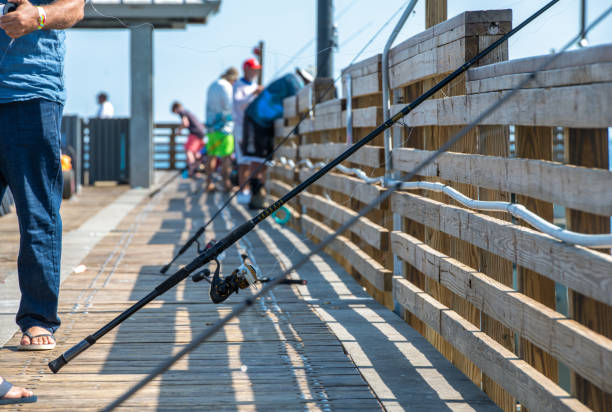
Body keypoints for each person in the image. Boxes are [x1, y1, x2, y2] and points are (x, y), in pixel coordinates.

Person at [0, 0, 84, 350]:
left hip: (30, 94)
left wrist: (39, 16)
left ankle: (38, 318)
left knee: (38, 214)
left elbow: (75, 8)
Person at [242, 69, 309, 209]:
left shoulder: (288, 78)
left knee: (264, 159)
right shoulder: (293, 80)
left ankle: (258, 193)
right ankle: (256, 194)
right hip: (256, 118)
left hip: (266, 121)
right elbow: (299, 98)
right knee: (257, 158)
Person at [232, 58, 263, 204]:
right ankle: (243, 192)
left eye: (257, 69)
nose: (255, 72)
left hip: (253, 127)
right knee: (243, 161)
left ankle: (251, 191)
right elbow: (238, 103)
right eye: (253, 69)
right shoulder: (238, 84)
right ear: (245, 69)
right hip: (241, 128)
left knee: (253, 161)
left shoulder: (255, 85)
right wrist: (253, 94)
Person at [205, 67, 238, 192]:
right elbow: (229, 106)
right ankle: (226, 184)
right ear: (232, 78)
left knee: (211, 156)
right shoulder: (226, 86)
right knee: (226, 157)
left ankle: (208, 183)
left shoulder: (212, 85)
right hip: (225, 128)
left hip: (211, 127)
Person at [171, 101, 206, 177]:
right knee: (197, 153)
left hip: (195, 132)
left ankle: (192, 169)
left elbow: (185, 123)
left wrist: (179, 130)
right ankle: (196, 170)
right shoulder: (187, 111)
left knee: (188, 150)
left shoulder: (181, 112)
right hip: (202, 132)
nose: (176, 114)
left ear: (175, 108)